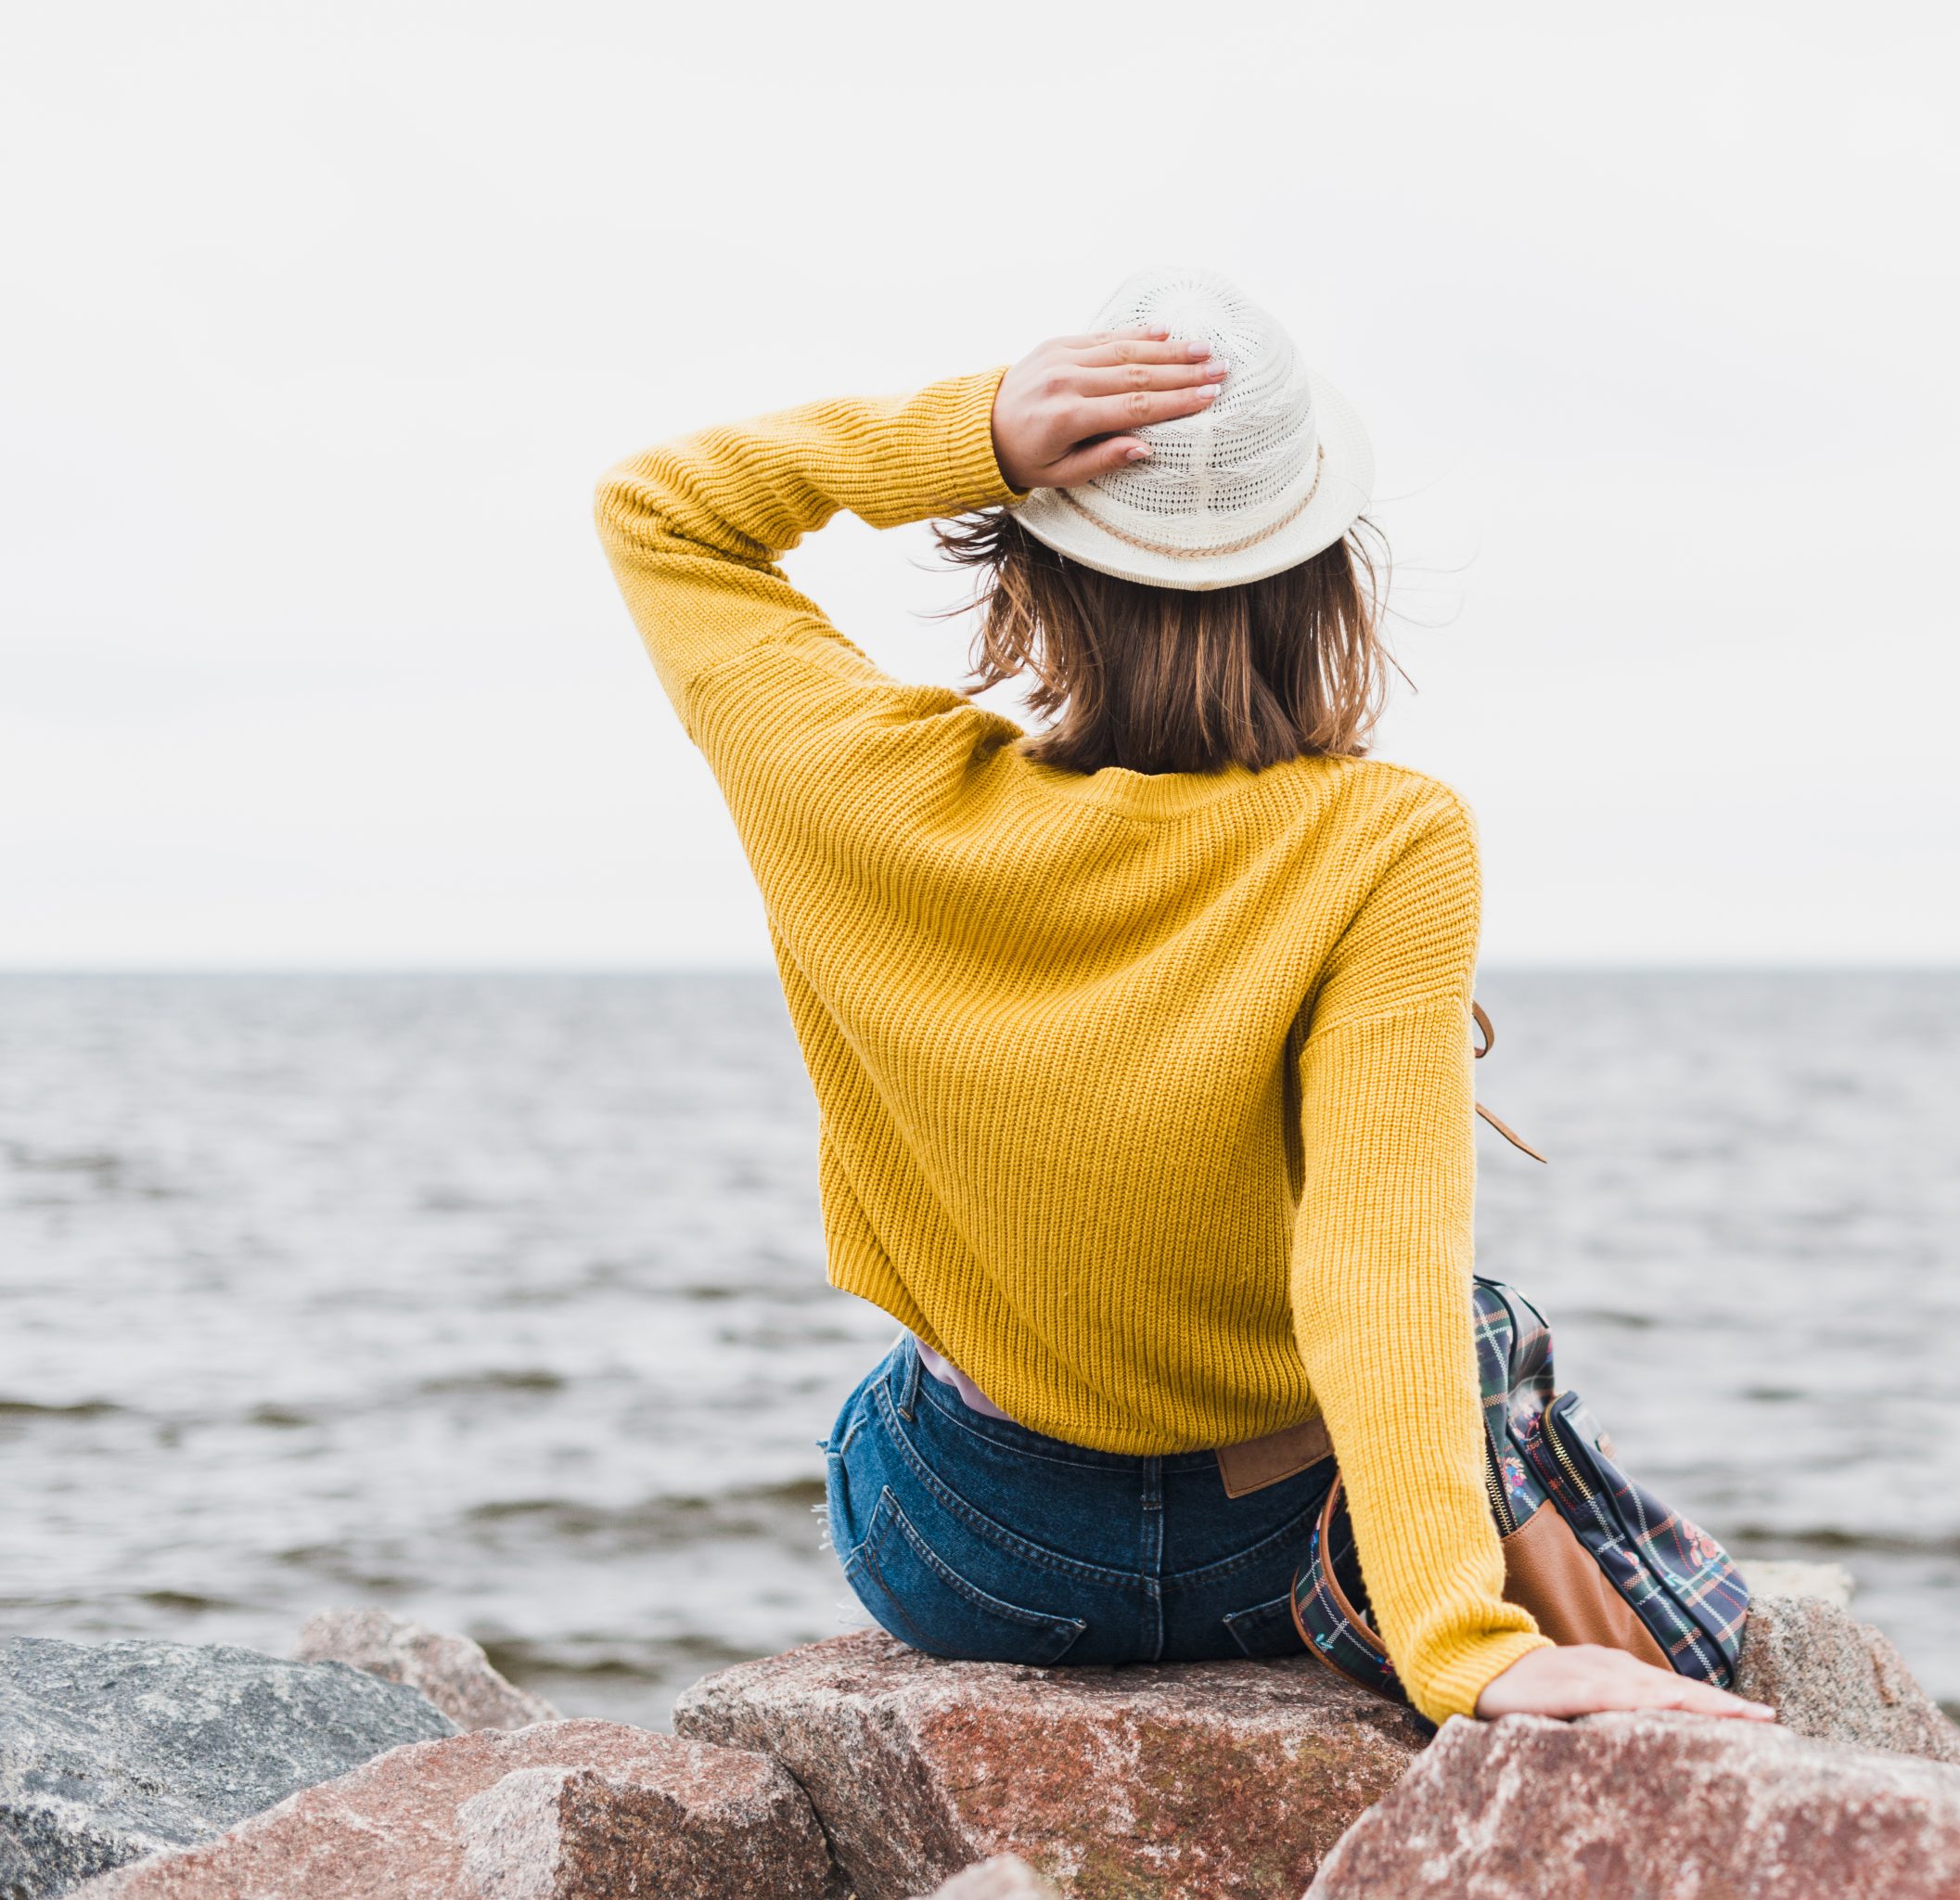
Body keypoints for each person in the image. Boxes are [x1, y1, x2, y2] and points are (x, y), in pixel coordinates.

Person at [593, 267, 1771, 1728]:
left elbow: (661, 509)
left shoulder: (857, 782)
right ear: (1327, 575)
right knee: (1465, 1319)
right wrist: (1463, 1645)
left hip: (966, 1555)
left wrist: (974, 432)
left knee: (895, 1400)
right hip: (1273, 1560)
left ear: (1025, 569)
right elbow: (1375, 1260)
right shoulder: (1381, 838)